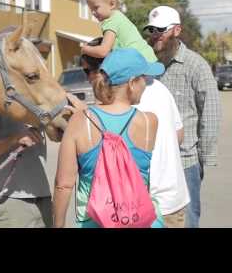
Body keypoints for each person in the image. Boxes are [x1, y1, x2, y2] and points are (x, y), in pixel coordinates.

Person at [77, 38, 190, 227]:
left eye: (88, 71)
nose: (88, 77)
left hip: (140, 206)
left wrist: (84, 117)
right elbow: (179, 135)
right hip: (173, 196)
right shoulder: (160, 88)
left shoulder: (128, 101)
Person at [53, 48, 165, 228]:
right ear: (131, 83)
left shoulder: (80, 122)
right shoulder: (149, 121)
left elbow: (63, 185)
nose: (146, 83)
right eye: (144, 77)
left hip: (95, 222)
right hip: (142, 220)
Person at [144, 5, 221, 228]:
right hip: (149, 162)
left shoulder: (197, 66)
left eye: (161, 30)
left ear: (177, 30)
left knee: (186, 222)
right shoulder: (148, 66)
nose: (155, 35)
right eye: (152, 30)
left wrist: (203, 158)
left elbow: (211, 112)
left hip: (185, 163)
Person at [0, 110, 53, 228]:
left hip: (43, 201)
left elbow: (58, 134)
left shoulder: (39, 104)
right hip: (11, 202)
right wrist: (14, 139)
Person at [80, 0, 157, 63]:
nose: (93, 12)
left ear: (112, 4)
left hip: (140, 63)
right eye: (91, 9)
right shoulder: (119, 17)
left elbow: (103, 51)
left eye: (96, 7)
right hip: (148, 58)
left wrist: (86, 49)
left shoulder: (111, 22)